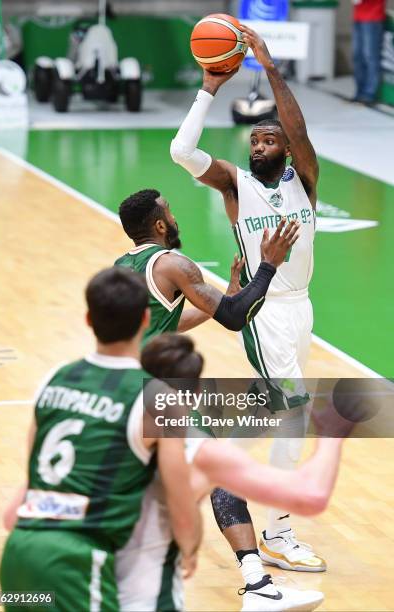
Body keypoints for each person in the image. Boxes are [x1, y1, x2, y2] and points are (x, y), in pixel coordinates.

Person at [170, 22, 324, 596]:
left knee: (286, 413)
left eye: (268, 140)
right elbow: (181, 151)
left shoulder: (304, 181)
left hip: (302, 308)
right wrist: (209, 88)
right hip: (265, 309)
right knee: (297, 410)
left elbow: (299, 124)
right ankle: (276, 529)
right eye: (254, 141)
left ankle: (222, 447)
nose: (258, 145)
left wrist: (266, 61)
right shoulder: (236, 185)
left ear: (284, 147)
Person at [0, 267, 202, 612]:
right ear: (144, 319)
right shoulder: (158, 398)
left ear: (89, 318)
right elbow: (180, 506)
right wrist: (191, 545)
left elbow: (32, 478)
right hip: (76, 564)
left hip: (18, 554)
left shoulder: (55, 378)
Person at [116, 332, 352, 612]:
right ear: (197, 392)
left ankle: (258, 586)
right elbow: (311, 496)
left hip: (64, 552)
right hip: (126, 577)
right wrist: (332, 433)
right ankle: (258, 585)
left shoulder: (104, 402)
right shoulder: (194, 436)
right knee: (224, 485)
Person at [115, 188, 299, 344]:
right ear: (160, 226)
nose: (174, 217)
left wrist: (220, 302)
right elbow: (234, 316)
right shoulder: (173, 265)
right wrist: (269, 264)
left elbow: (162, 325)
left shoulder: (120, 266)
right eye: (169, 211)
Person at [352, 0, 386, 104]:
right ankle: (360, 92)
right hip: (358, 17)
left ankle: (369, 94)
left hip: (373, 18)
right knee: (357, 56)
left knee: (371, 57)